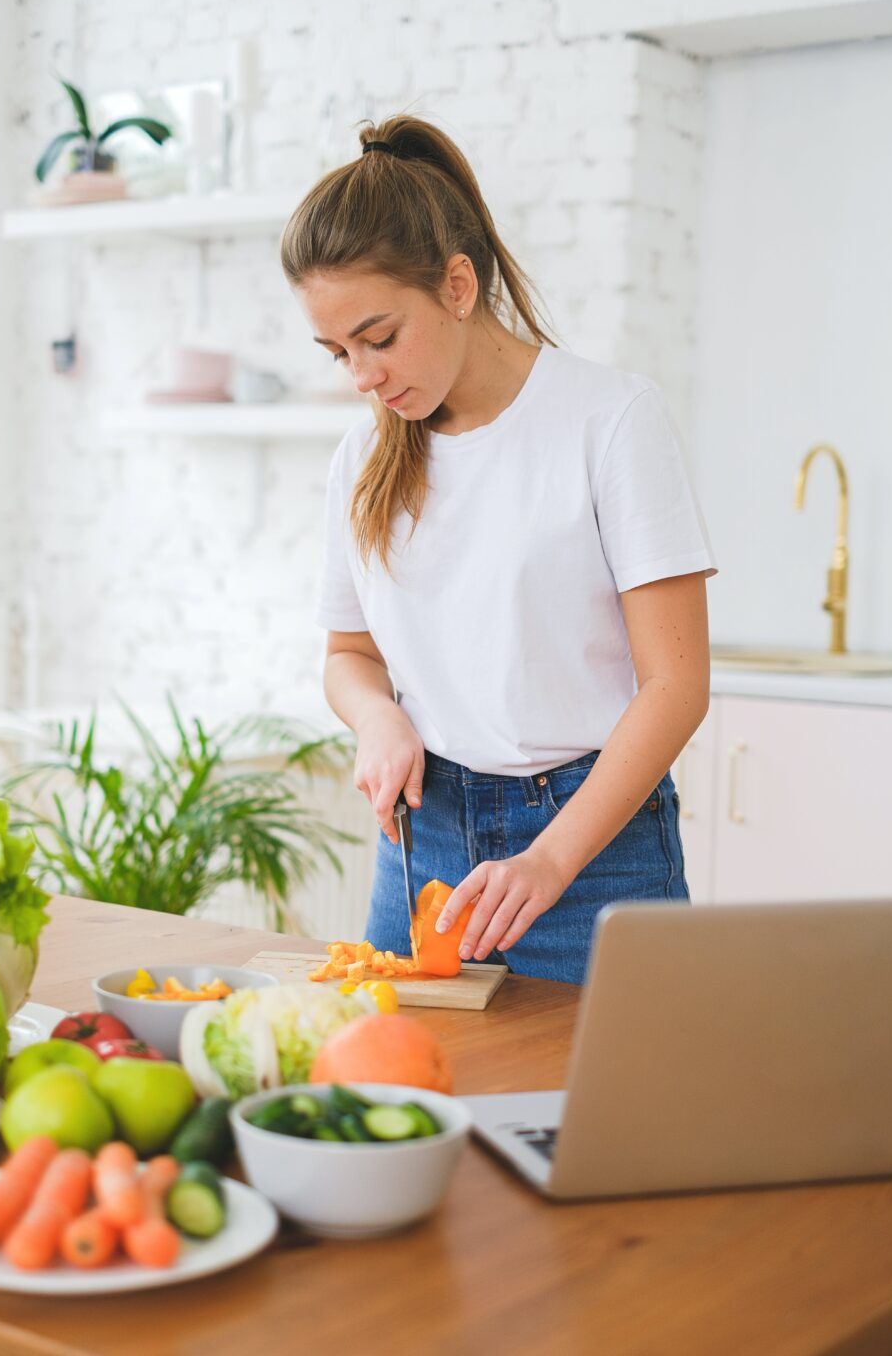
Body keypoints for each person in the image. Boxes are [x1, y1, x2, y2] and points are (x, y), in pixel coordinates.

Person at [280, 114, 717, 986]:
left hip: (595, 854)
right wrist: (379, 718)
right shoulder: (364, 458)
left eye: (378, 337)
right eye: (337, 352)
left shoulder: (610, 420)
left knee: (608, 1118)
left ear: (455, 284)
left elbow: (675, 687)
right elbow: (347, 657)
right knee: (408, 1106)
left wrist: (549, 861)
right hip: (424, 844)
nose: (361, 377)